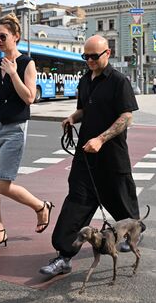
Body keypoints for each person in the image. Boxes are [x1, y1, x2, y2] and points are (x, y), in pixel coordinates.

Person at [39, 35, 143, 276]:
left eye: (94, 56)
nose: (89, 61)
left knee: (122, 202)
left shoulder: (119, 81)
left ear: (107, 53)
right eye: (85, 56)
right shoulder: (85, 80)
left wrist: (101, 139)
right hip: (86, 156)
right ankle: (64, 255)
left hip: (112, 156)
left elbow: (127, 116)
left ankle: (133, 232)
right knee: (76, 201)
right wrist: (72, 118)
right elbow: (85, 108)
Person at [0, 13, 54, 257]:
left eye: (2, 36)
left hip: (14, 127)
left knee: (2, 184)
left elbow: (29, 97)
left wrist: (14, 72)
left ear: (16, 37)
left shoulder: (27, 62)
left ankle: (41, 206)